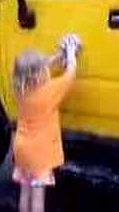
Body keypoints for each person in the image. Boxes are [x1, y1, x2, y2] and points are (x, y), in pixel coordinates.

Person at [12, 35, 81, 212]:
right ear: (39, 73)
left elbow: (38, 68)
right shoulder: (48, 92)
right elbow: (69, 76)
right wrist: (71, 54)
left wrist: (59, 55)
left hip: (22, 150)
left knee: (25, 191)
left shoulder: (21, 89)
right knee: (37, 196)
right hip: (39, 154)